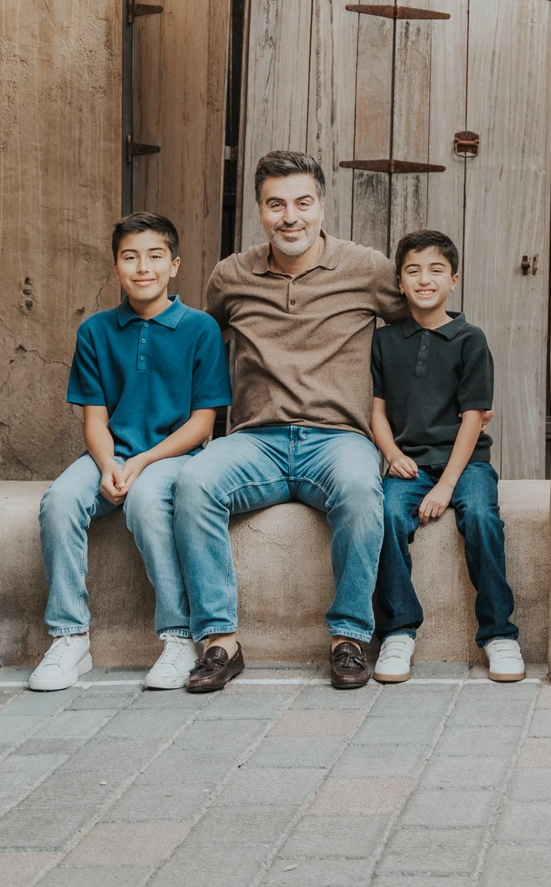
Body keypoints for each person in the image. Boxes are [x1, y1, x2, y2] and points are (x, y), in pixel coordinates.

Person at [173, 150, 407, 692]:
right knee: (194, 482)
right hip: (256, 440)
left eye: (302, 202)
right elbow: (199, 347)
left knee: (358, 487)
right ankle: (220, 642)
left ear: (322, 206)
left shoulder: (366, 269)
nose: (290, 216)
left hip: (338, 438)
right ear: (260, 210)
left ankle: (349, 637)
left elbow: (416, 326)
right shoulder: (231, 275)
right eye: (276, 204)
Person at [31, 212, 231, 692]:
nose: (143, 267)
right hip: (110, 454)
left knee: (145, 501)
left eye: (155, 256)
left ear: (174, 265)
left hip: (173, 457)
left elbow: (203, 423)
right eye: (130, 257)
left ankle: (179, 637)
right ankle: (69, 637)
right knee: (59, 502)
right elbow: (94, 418)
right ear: (116, 266)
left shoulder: (200, 329)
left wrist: (140, 464)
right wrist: (107, 465)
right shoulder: (96, 332)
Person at [368, 230, 523, 685]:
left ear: (453, 280)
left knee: (480, 517)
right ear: (400, 282)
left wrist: (445, 486)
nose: (424, 279)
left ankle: (499, 634)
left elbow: (474, 418)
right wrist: (392, 453)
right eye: (413, 270)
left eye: (436, 270)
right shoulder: (384, 341)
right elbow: (376, 411)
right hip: (409, 462)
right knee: (387, 515)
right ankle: (398, 631)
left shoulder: (470, 340)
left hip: (465, 464)